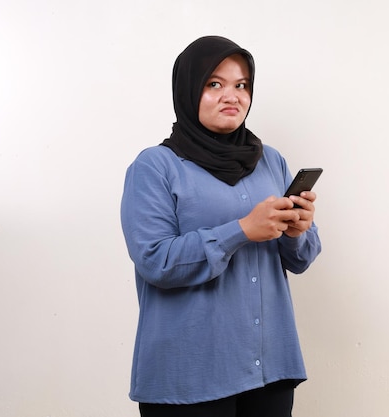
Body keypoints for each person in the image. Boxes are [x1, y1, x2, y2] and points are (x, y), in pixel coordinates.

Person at [120, 35, 322, 417]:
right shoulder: (156, 167)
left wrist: (298, 231)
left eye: (241, 85)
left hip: (269, 367)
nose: (232, 96)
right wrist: (241, 230)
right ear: (188, 89)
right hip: (190, 375)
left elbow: (300, 259)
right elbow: (154, 260)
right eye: (215, 84)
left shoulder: (270, 161)